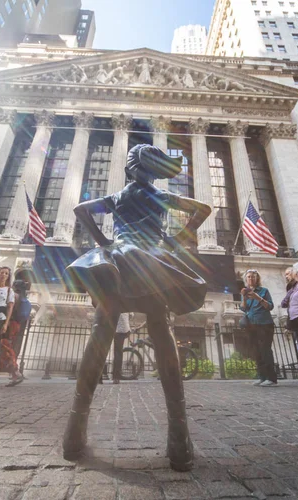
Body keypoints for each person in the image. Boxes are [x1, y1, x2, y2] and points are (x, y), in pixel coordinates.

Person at [63, 144, 211, 471]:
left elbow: (80, 210)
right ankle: (179, 436)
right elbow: (202, 209)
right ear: (150, 170)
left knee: (101, 331)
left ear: (129, 169)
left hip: (115, 260)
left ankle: (74, 430)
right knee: (162, 330)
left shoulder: (118, 196)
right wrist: (174, 241)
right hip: (150, 263)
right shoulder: (158, 195)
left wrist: (103, 242)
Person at [239, 270, 277, 387]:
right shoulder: (245, 292)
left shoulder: (264, 291)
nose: (251, 279)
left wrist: (258, 298)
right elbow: (244, 309)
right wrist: (244, 298)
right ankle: (262, 377)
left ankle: (271, 378)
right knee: (256, 351)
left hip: (264, 324)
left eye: (253, 277)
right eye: (249, 277)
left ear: (257, 278)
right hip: (251, 325)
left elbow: (269, 306)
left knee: (265, 350)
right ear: (246, 279)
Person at [282, 266, 298, 381]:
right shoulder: (291, 287)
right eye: (285, 275)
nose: (287, 276)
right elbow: (285, 304)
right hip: (296, 320)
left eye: (288, 273)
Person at [111, 312, 146, 384]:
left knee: (117, 353)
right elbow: (131, 315)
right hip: (126, 330)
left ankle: (116, 377)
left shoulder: (116, 303)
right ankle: (118, 375)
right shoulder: (126, 304)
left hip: (117, 330)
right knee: (119, 352)